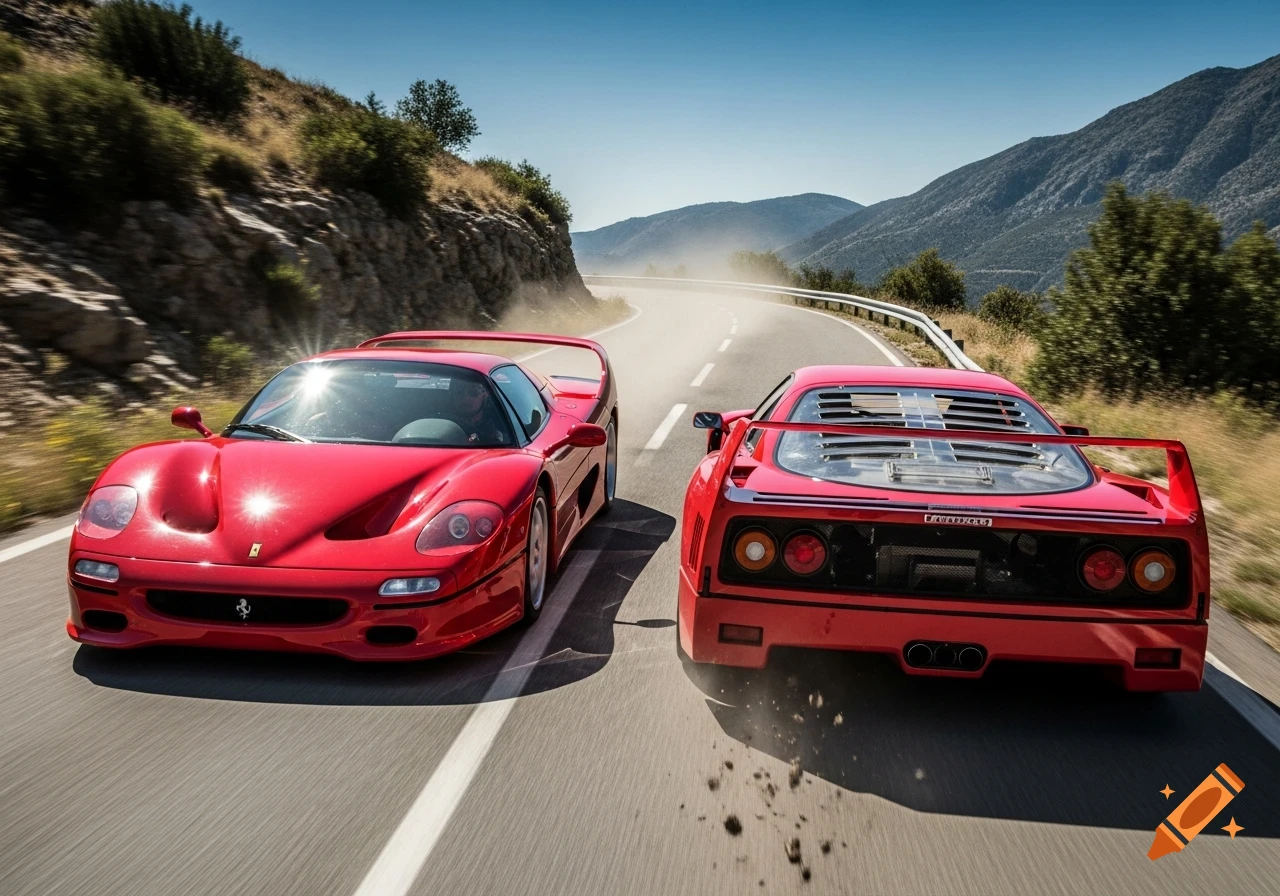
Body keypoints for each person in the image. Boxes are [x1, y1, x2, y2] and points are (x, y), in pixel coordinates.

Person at [449, 377, 511, 445]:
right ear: (452, 396)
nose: (466, 398)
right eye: (459, 392)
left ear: (484, 396)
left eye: (473, 393)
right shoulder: (441, 422)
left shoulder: (503, 425)